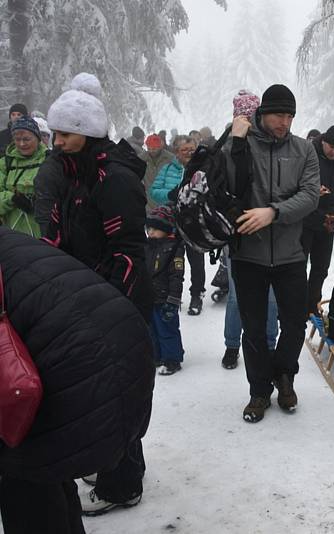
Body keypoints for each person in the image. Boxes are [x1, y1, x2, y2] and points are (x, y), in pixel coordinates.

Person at [43, 72, 154, 515]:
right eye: (55, 132)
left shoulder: (114, 179)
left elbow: (128, 251)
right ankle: (110, 463)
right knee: (95, 394)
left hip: (115, 303)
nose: (56, 141)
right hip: (86, 299)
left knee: (116, 393)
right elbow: (68, 233)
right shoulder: (76, 172)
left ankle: (122, 481)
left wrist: (109, 307)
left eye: (65, 134)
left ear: (86, 133)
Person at [0, 228, 154, 534]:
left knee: (24, 479)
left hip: (83, 370)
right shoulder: (11, 241)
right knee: (46, 472)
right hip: (124, 342)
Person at [225, 83, 319, 421]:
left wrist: (273, 212)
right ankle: (258, 392)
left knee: (294, 323)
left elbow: (310, 195)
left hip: (291, 254)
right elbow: (227, 186)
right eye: (279, 114)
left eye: (290, 115)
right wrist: (235, 140)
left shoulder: (304, 150)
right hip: (248, 255)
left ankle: (284, 375)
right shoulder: (241, 143)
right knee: (253, 328)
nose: (285, 121)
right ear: (263, 113)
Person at [221, 89, 279, 371]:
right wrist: (236, 142)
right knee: (236, 296)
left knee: (270, 296)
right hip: (236, 234)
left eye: (251, 114)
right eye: (241, 115)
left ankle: (269, 343)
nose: (247, 120)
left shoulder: (271, 143)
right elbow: (226, 184)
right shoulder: (227, 142)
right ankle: (232, 345)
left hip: (269, 232)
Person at [150, 136, 207, 315]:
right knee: (169, 260)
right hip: (171, 222)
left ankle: (196, 294)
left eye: (192, 149)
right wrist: (172, 194)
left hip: (194, 222)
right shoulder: (167, 170)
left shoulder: (203, 169)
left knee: (196, 260)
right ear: (177, 152)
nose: (189, 153)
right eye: (185, 150)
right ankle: (168, 295)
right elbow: (154, 191)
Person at [302, 122, 334, 316]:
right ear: (323, 141)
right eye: (331, 146)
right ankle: (294, 306)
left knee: (321, 268)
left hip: (329, 222)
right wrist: (312, 190)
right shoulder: (309, 152)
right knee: (298, 266)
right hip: (306, 218)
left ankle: (311, 306)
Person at [145, 206, 185, 375]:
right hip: (149, 297)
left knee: (167, 329)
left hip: (165, 299)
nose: (150, 232)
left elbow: (176, 276)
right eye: (149, 228)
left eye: (155, 229)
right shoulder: (147, 246)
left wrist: (173, 300)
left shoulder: (174, 248)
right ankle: (157, 355)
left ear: (165, 229)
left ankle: (172, 359)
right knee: (152, 329)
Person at [0, 116, 47, 237]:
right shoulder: (5, 163)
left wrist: (40, 202)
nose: (21, 144)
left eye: (26, 139)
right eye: (17, 139)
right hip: (11, 236)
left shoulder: (50, 161)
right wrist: (12, 198)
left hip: (43, 237)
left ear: (38, 138)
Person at [140, 134, 173, 210]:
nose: (151, 151)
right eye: (149, 148)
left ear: (159, 147)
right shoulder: (141, 159)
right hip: (148, 199)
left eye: (154, 149)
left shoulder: (170, 159)